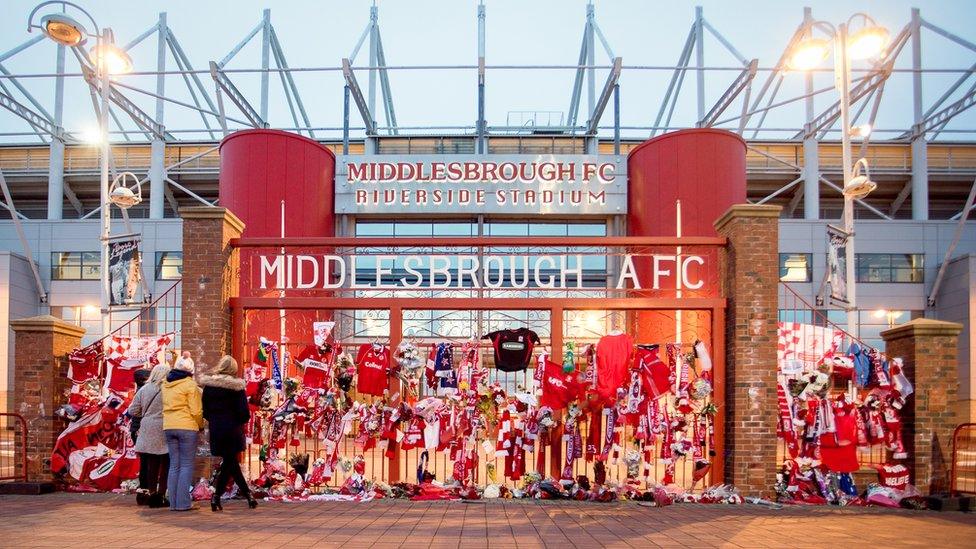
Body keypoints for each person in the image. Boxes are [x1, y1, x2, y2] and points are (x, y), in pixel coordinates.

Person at [200, 355, 257, 511]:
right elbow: (244, 412)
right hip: (232, 429)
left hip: (217, 428)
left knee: (229, 461)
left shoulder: (209, 387)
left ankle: (245, 495)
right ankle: (221, 496)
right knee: (230, 461)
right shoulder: (236, 388)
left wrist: (215, 419)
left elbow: (205, 410)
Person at [161, 352, 202, 511]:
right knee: (186, 465)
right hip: (186, 426)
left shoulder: (165, 384)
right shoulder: (190, 385)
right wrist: (200, 424)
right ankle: (183, 503)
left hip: (169, 426)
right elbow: (196, 410)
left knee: (174, 466)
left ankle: (173, 503)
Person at [128, 364, 171, 508]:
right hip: (165, 426)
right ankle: (162, 494)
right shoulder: (169, 389)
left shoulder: (144, 389)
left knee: (152, 462)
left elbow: (133, 410)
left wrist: (146, 415)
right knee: (165, 463)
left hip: (147, 426)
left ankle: (152, 494)